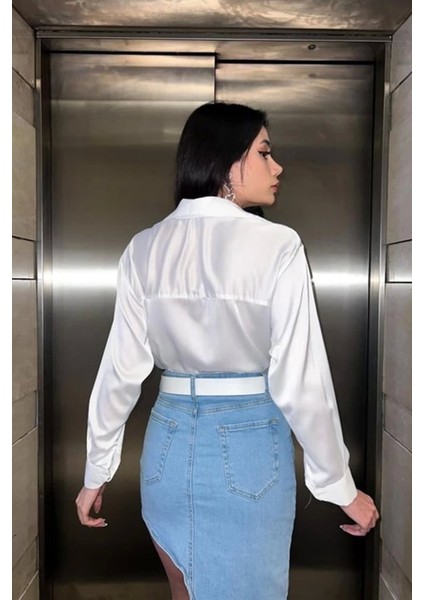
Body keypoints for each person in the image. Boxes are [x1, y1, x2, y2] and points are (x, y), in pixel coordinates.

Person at [76, 102, 379, 599]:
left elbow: (119, 372)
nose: (277, 167)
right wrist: (338, 486)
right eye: (264, 152)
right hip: (249, 445)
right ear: (225, 161)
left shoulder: (143, 247)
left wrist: (96, 470)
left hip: (166, 447)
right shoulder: (278, 245)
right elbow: (301, 381)